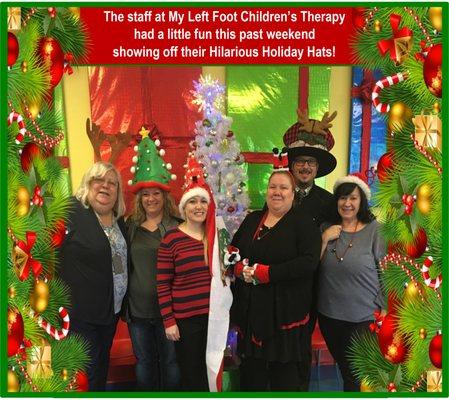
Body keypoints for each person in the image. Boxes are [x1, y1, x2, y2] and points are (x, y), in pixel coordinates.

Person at [229, 154, 321, 391]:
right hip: (252, 315)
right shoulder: (252, 219)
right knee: (252, 378)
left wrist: (268, 274)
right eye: (272, 187)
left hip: (285, 316)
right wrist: (239, 269)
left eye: (283, 187)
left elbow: (309, 263)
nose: (277, 192)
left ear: (292, 193)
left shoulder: (303, 223)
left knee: (285, 381)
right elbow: (233, 250)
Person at [157, 154, 232, 392]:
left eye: (202, 201)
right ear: (184, 207)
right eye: (192, 202)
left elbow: (227, 272)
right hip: (186, 321)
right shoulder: (172, 238)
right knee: (191, 375)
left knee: (212, 369)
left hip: (214, 317)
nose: (198, 207)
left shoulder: (216, 237)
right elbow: (162, 283)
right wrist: (169, 321)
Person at [59, 161, 128, 391]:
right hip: (81, 316)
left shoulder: (120, 222)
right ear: (87, 184)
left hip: (110, 313)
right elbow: (47, 252)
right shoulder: (72, 211)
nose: (105, 186)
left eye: (112, 183)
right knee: (84, 375)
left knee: (100, 370)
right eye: (99, 180)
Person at [282, 109, 338, 390]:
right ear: (292, 165)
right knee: (279, 344)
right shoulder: (279, 196)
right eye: (301, 161)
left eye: (311, 163)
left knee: (302, 343)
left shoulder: (329, 202)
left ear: (317, 169)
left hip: (311, 287)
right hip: (279, 284)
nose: (305, 167)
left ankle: (300, 391)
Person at [318, 174, 386, 392]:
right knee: (345, 369)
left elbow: (387, 271)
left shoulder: (376, 230)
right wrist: (324, 239)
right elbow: (312, 267)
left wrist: (384, 307)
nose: (347, 203)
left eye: (353, 198)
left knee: (355, 375)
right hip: (329, 315)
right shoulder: (326, 228)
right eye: (343, 198)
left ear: (361, 202)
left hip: (363, 317)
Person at [124, 134, 180, 391]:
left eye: (155, 193)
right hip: (138, 311)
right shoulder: (130, 226)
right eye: (146, 194)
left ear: (164, 195)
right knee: (144, 362)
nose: (151, 199)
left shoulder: (177, 227)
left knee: (170, 362)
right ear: (140, 198)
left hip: (168, 311)